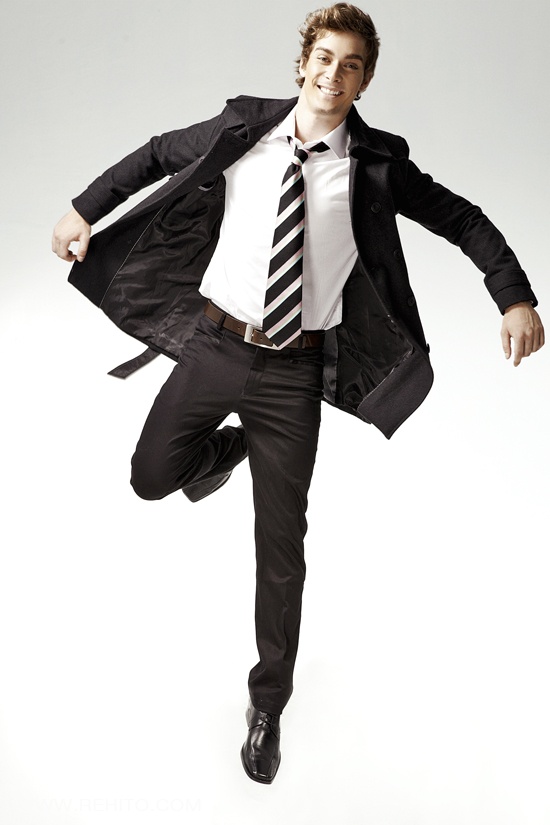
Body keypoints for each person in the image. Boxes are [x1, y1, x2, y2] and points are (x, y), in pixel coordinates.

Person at [52, 3, 544, 785]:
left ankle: (267, 705)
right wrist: (84, 207)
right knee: (150, 475)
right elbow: (154, 155)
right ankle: (230, 450)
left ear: (364, 80)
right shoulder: (242, 129)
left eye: (351, 65)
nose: (333, 74)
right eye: (324, 57)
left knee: (282, 552)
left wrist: (513, 296)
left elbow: (464, 218)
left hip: (294, 374)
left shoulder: (375, 165)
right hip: (215, 345)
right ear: (303, 62)